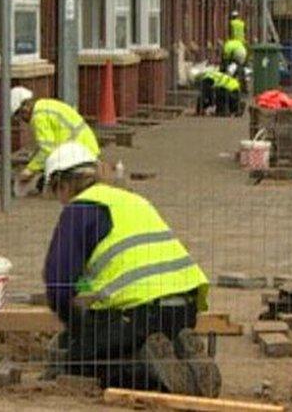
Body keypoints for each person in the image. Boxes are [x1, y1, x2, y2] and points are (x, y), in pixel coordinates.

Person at [42, 142, 220, 397]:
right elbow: (123, 263)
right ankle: (183, 358)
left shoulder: (79, 209)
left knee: (77, 362)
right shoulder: (133, 200)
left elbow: (58, 285)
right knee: (124, 341)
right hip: (184, 310)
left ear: (62, 183)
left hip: (140, 314)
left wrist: (76, 329)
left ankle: (149, 373)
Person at [11, 87, 100, 189]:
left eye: (19, 115)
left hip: (79, 154)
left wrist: (29, 170)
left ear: (24, 108)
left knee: (50, 176)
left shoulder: (38, 118)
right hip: (86, 148)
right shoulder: (44, 105)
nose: (21, 120)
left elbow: (47, 150)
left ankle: (77, 179)